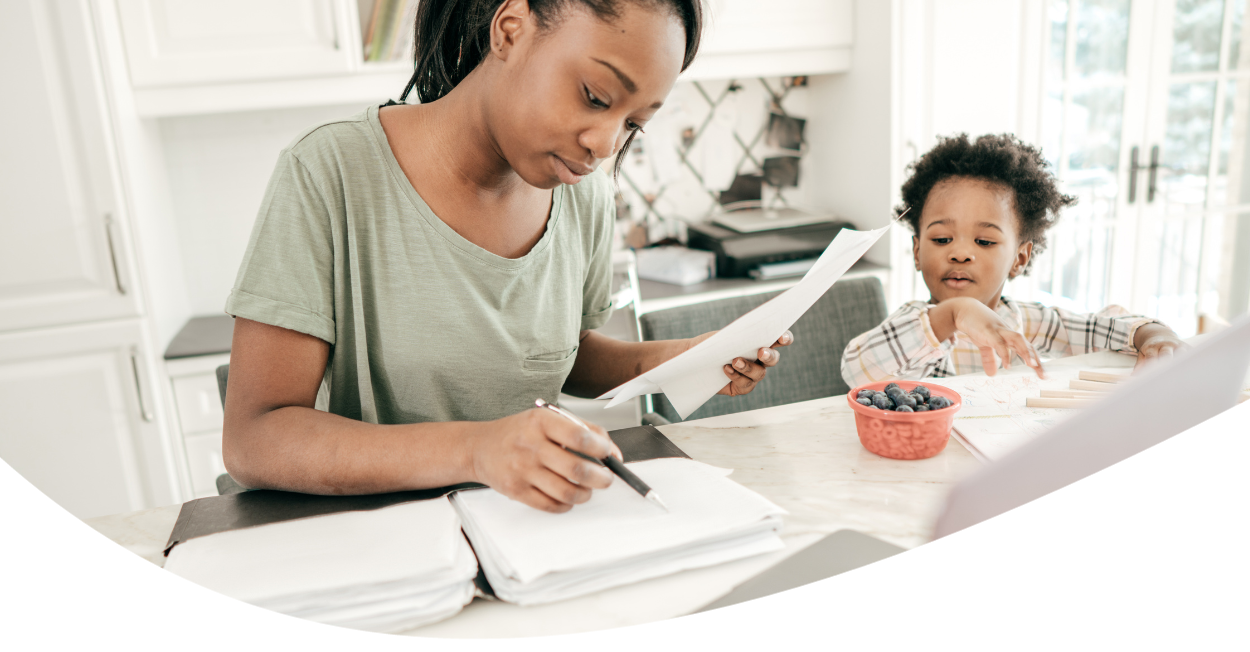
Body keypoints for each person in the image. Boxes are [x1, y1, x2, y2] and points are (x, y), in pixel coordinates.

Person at [222, 0, 793, 512]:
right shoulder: (331, 172)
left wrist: (684, 360)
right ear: (511, 29)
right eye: (595, 97)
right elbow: (255, 438)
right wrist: (476, 449)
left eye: (633, 125)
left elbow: (561, 356)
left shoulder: (584, 193)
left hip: (521, 525)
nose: (605, 145)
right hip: (383, 538)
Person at [841, 133, 1184, 388]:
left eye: (984, 241)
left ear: (1019, 258)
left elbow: (1102, 330)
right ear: (917, 252)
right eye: (942, 239)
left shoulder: (1026, 322)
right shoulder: (916, 325)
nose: (959, 252)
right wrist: (954, 313)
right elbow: (857, 371)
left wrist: (1153, 336)